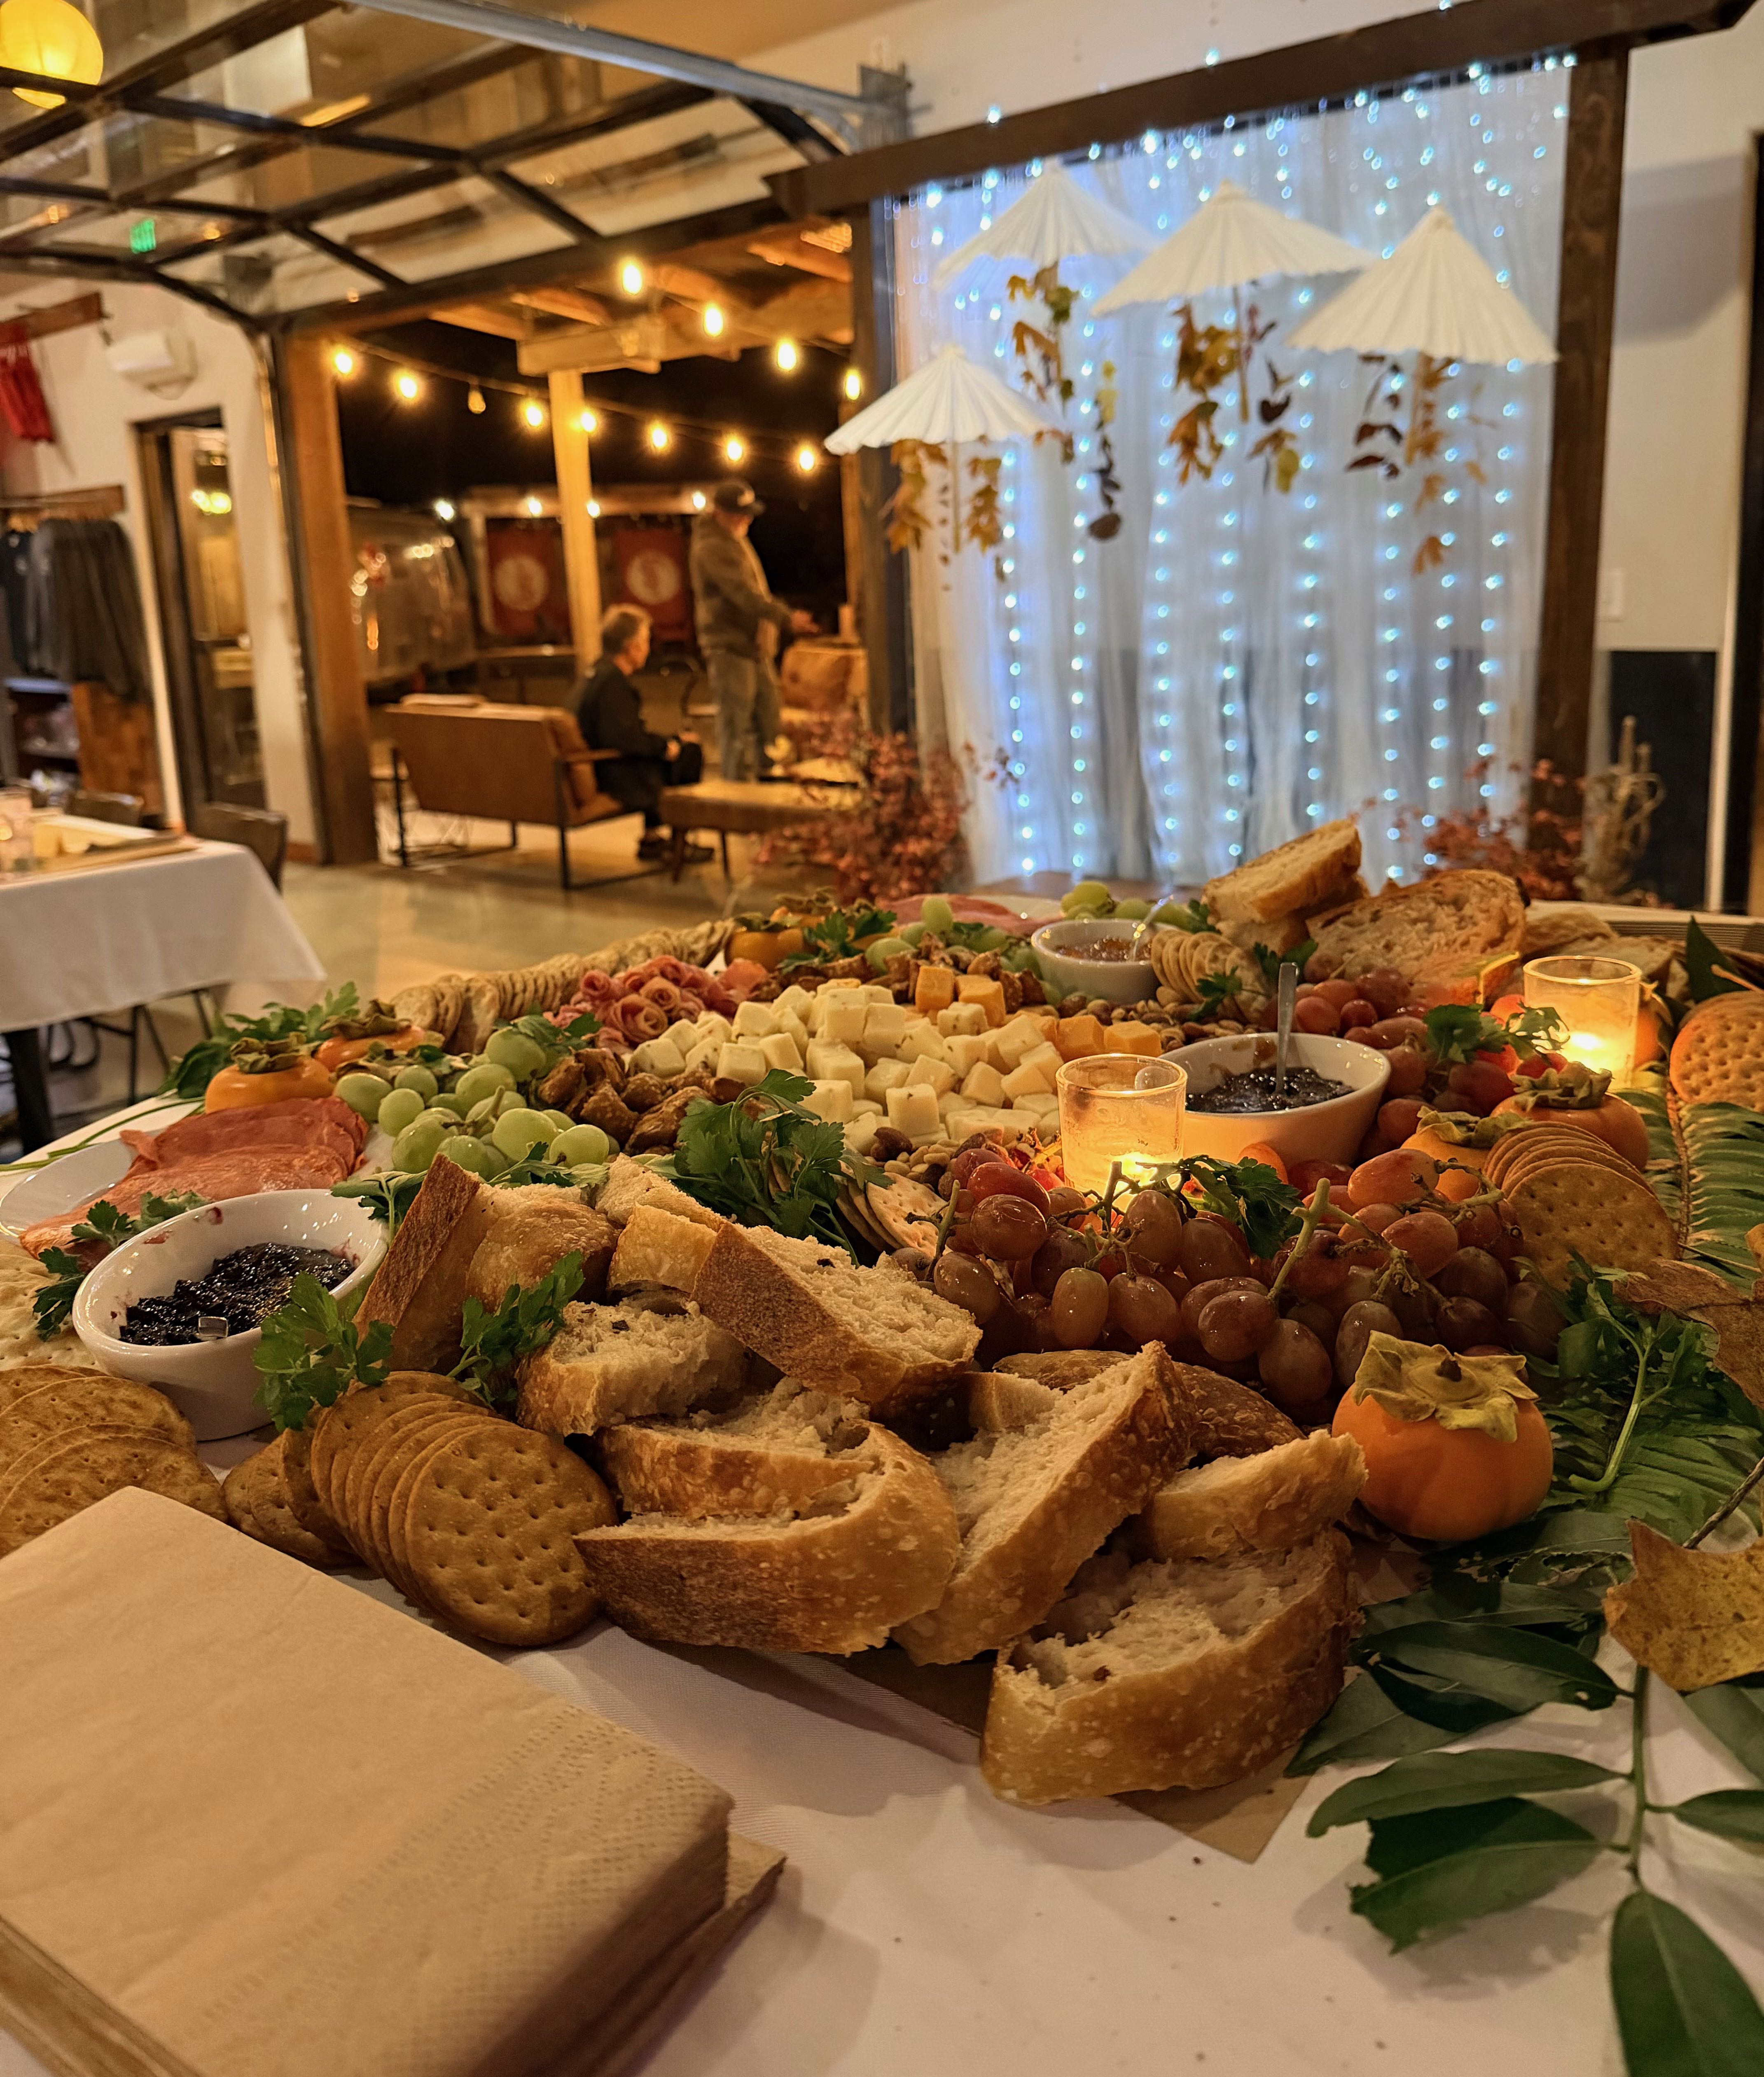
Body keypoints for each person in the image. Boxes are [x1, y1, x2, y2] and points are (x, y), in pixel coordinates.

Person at [688, 479, 816, 782]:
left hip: (754, 649)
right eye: (738, 514)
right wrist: (786, 617)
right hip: (730, 648)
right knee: (736, 725)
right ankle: (736, 794)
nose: (745, 520)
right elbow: (743, 595)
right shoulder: (712, 547)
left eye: (747, 514)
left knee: (768, 718)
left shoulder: (733, 540)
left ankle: (767, 778)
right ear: (718, 513)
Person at [571, 603, 709, 863]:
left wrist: (667, 742)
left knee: (677, 745)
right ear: (631, 646)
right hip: (614, 774)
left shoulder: (595, 674)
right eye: (645, 641)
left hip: (599, 763)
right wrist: (668, 747)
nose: (647, 648)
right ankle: (677, 843)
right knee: (689, 753)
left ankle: (654, 837)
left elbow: (623, 731)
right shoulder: (613, 684)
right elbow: (625, 740)